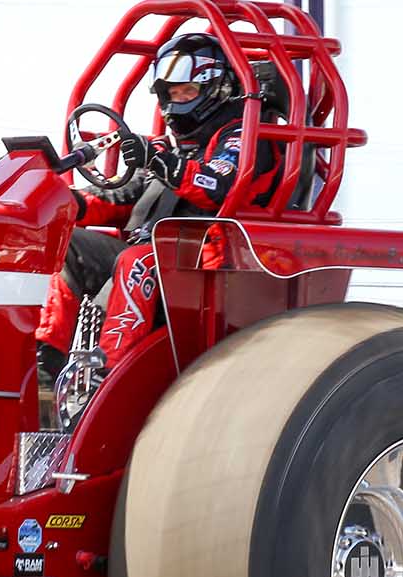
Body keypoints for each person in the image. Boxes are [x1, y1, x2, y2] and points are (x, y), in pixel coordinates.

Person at [36, 32, 284, 386]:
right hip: (154, 252)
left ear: (215, 89)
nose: (178, 101)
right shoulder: (173, 146)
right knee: (67, 242)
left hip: (200, 262)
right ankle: (45, 365)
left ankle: (107, 376)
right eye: (171, 93)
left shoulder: (243, 137)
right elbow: (127, 196)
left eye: (188, 92)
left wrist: (165, 163)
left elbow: (219, 186)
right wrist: (69, 204)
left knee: (137, 261)